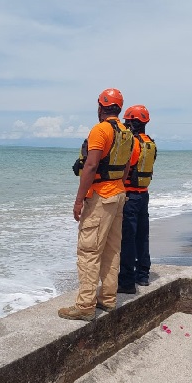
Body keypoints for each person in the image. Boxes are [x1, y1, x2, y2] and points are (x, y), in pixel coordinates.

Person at [58, 88, 134, 321]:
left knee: (89, 251)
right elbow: (126, 168)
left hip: (101, 197)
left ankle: (85, 306)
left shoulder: (100, 130)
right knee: (112, 250)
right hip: (119, 194)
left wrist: (79, 200)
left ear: (101, 107)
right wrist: (119, 187)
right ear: (119, 109)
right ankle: (108, 299)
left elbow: (90, 166)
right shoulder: (126, 133)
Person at [117, 105, 157, 294]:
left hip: (130, 196)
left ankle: (126, 279)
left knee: (128, 239)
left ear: (132, 122)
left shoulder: (132, 144)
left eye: (127, 121)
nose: (125, 124)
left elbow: (126, 168)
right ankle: (143, 274)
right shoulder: (150, 143)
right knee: (143, 236)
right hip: (144, 194)